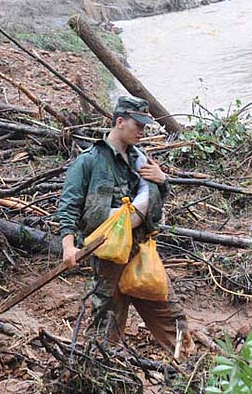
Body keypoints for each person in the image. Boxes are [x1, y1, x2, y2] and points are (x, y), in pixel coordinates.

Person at [56, 96, 192, 354]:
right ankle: (99, 367)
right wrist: (68, 246)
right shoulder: (89, 161)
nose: (142, 131)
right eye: (137, 125)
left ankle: (187, 365)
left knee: (170, 313)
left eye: (144, 126)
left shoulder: (142, 161)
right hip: (107, 255)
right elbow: (68, 206)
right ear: (120, 122)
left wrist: (162, 180)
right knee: (107, 323)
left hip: (141, 251)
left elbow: (154, 201)